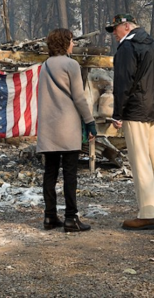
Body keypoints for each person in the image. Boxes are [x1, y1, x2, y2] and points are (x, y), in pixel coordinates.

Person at [106, 14, 154, 230]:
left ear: (126, 26)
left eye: (115, 29)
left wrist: (117, 113)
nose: (114, 35)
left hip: (136, 109)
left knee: (139, 159)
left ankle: (147, 213)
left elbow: (123, 83)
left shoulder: (127, 47)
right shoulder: (153, 43)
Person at [37, 28, 97, 232]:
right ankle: (71, 218)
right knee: (70, 174)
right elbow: (79, 98)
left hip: (47, 128)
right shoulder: (71, 65)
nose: (73, 45)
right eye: (71, 41)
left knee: (50, 174)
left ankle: (49, 217)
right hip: (67, 126)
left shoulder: (44, 66)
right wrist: (89, 122)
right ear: (64, 43)